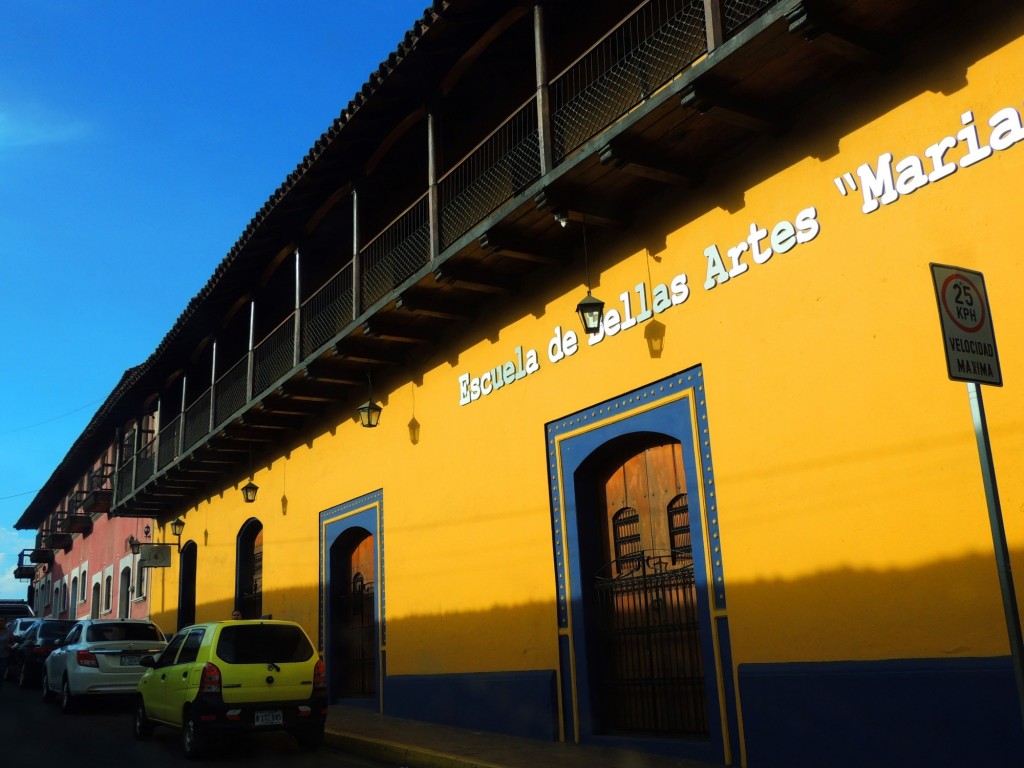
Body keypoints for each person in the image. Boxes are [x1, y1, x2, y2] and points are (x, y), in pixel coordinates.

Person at [0, 618, 14, 692]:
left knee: (1, 672)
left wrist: (9, 645)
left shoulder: (8, 632)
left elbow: (13, 642)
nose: (1, 622)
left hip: (4, 655)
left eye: (2, 621)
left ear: (5, 623)